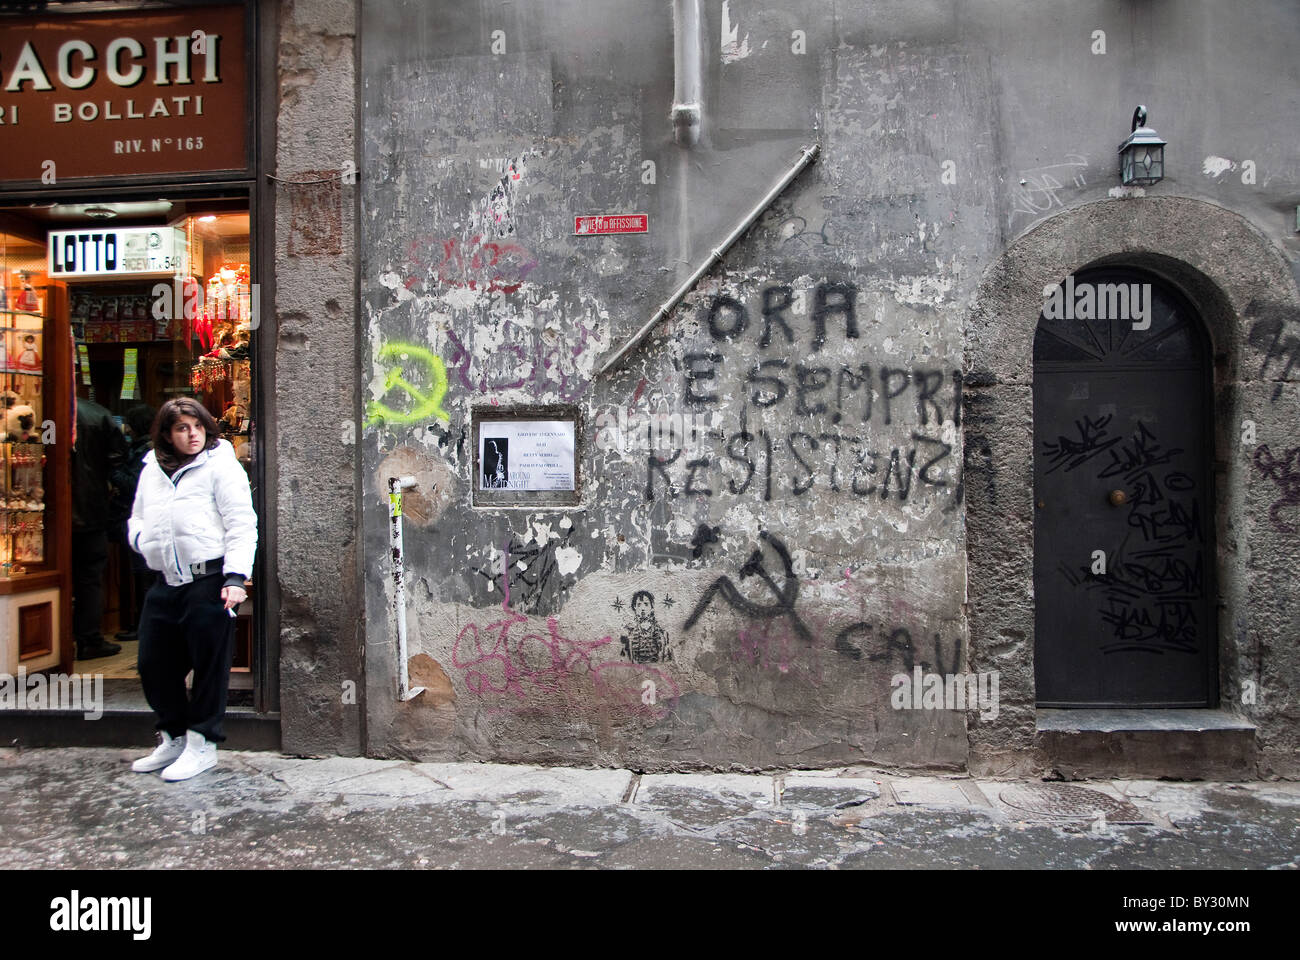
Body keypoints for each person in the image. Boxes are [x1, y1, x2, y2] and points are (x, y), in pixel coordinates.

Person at [127, 398, 256, 782]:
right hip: (165, 581)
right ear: (167, 434)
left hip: (209, 580)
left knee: (209, 666)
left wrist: (235, 577)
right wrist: (141, 540)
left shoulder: (220, 465)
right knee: (153, 665)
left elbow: (240, 523)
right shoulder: (152, 466)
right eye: (183, 428)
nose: (192, 435)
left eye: (197, 426)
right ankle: (173, 737)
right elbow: (137, 514)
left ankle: (202, 745)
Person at [71, 396, 127, 660]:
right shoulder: (98, 414)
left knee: (83, 576)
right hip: (90, 508)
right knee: (89, 577)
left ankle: (68, 637)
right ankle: (88, 638)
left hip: (57, 513)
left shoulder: (45, 408)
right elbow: (118, 457)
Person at [108, 404, 157, 642]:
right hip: (138, 520)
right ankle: (141, 622)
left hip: (139, 520)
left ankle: (143, 624)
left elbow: (132, 485)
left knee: (142, 574)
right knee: (141, 574)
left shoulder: (145, 452)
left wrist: (114, 469)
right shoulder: (145, 449)